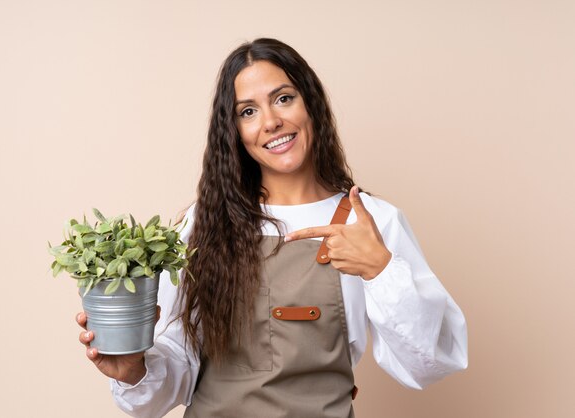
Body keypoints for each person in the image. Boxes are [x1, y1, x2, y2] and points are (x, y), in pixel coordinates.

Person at [76, 37, 468, 417]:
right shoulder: (204, 224)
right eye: (248, 111)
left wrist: (381, 269)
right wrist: (133, 370)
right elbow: (174, 369)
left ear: (310, 103)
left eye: (283, 98)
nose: (271, 122)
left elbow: (429, 364)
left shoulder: (373, 222)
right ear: (234, 133)